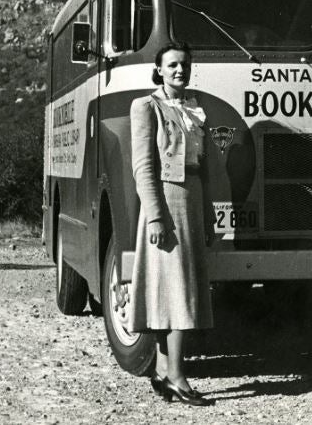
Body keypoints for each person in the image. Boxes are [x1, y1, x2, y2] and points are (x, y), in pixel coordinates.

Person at [128, 40, 216, 406]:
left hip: (191, 199)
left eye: (185, 64)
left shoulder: (194, 107)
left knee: (178, 286)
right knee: (179, 289)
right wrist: (155, 216)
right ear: (159, 70)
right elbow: (143, 167)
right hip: (167, 201)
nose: (180, 70)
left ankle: (166, 373)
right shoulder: (146, 107)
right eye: (173, 65)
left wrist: (208, 212)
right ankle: (178, 377)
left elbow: (204, 167)